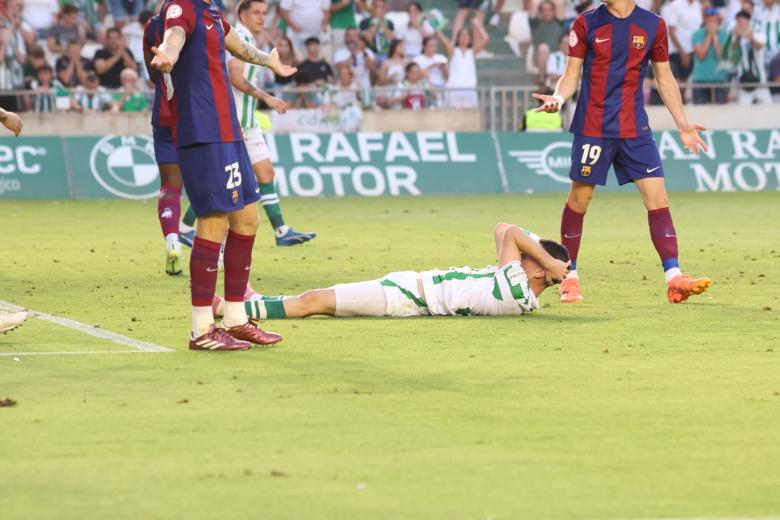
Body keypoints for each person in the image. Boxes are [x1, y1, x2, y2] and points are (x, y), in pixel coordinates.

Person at [533, 0, 712, 304]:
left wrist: (682, 124)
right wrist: (559, 99)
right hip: (593, 127)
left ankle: (674, 278)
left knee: (658, 199)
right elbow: (571, 74)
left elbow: (664, 76)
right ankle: (569, 276)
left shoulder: (653, 25)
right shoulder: (586, 23)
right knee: (580, 199)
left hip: (635, 130)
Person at [150, 0, 297, 350]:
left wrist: (268, 60)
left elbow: (235, 44)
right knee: (214, 221)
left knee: (247, 219)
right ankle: (201, 329)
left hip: (229, 129)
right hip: (203, 129)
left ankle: (234, 318)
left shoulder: (210, 10)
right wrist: (168, 53)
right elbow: (174, 33)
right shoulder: (182, 6)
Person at [216, 224, 571, 320]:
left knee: (314, 302)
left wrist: (551, 262)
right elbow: (504, 230)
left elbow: (509, 232)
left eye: (532, 257)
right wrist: (550, 262)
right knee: (317, 298)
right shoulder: (518, 288)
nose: (525, 253)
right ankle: (254, 302)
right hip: (408, 289)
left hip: (406, 298)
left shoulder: (515, 291)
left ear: (538, 272)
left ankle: (230, 310)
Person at [226, 0, 317, 246]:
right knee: (227, 185)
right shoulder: (238, 37)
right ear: (241, 15)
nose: (261, 18)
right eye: (255, 12)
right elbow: (235, 76)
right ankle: (187, 228)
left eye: (264, 13)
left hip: (249, 121)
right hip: (235, 122)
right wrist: (267, 97)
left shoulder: (251, 40)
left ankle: (281, 231)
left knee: (266, 173)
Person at [143, 11, 184, 276]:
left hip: (164, 112)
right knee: (210, 184)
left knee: (170, 186)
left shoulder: (153, 25)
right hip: (196, 116)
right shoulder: (200, 18)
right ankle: (220, 253)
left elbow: (151, 72)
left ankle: (173, 243)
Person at [723, 10, 772, 105]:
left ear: (748, 21)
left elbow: (760, 45)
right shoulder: (734, 36)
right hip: (744, 81)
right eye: (738, 21)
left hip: (760, 81)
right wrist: (738, 36)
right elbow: (730, 54)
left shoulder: (758, 32)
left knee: (768, 106)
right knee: (743, 109)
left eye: (742, 21)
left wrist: (747, 35)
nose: (740, 24)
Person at [440, 20, 489, 109]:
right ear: (457, 38)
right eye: (462, 35)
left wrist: (478, 26)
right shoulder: (453, 51)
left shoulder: (472, 52)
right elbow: (444, 41)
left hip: (469, 89)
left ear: (470, 38)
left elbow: (485, 38)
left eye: (466, 35)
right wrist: (436, 29)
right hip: (454, 89)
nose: (464, 37)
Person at [691, 8, 728, 104]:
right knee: (699, 114)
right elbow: (701, 55)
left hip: (719, 79)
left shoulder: (724, 35)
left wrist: (715, 37)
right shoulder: (696, 34)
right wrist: (709, 36)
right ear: (705, 21)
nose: (711, 24)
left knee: (720, 114)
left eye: (714, 21)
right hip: (700, 80)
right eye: (709, 21)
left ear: (718, 21)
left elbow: (721, 57)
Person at [663, 0, 702, 82]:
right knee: (677, 86)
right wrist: (682, 53)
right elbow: (671, 31)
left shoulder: (698, 5)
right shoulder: (676, 5)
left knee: (686, 85)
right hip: (678, 53)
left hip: (694, 52)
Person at [530, 0, 565, 85]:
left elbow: (559, 2)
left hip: (557, 57)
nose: (547, 13)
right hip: (539, 57)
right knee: (543, 48)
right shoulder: (535, 23)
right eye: (544, 10)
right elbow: (534, 2)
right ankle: (542, 80)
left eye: (549, 10)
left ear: (554, 11)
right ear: (540, 11)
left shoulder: (559, 22)